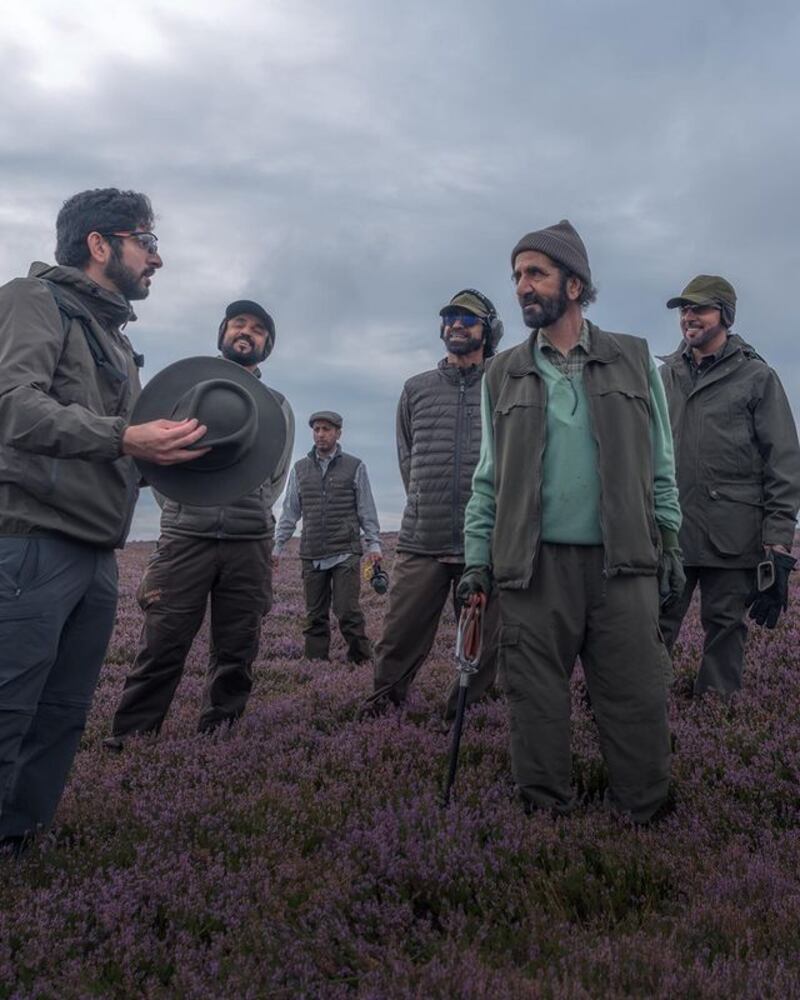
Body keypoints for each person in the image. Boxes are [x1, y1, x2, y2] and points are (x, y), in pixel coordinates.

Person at [0, 187, 207, 852]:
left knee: (61, 715)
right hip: (29, 541)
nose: (158, 259)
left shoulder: (115, 337)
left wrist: (179, 457)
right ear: (100, 244)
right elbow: (13, 407)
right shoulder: (35, 301)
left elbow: (120, 445)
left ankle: (22, 842)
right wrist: (126, 437)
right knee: (8, 707)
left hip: (94, 552)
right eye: (147, 241)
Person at [460, 219, 684, 824]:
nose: (522, 286)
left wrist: (669, 540)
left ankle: (645, 817)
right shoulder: (501, 372)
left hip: (625, 563)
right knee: (535, 699)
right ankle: (543, 819)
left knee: (635, 697)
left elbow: (662, 459)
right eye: (517, 276)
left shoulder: (635, 358)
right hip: (531, 569)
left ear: (576, 284)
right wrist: (477, 562)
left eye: (536, 273)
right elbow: (488, 477)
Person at [104, 301, 295, 745]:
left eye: (259, 329)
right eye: (238, 324)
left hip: (250, 542)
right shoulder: (188, 391)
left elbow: (275, 476)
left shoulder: (279, 406)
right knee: (161, 644)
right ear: (223, 334)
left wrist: (250, 511)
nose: (247, 332)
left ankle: (218, 741)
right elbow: (157, 457)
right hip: (184, 537)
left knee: (237, 651)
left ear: (267, 345)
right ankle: (129, 740)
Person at [363, 289, 502, 720]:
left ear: (488, 330)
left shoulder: (505, 383)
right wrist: (424, 501)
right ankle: (382, 708)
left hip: (486, 540)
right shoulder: (416, 389)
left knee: (481, 640)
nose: (456, 324)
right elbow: (408, 458)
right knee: (398, 635)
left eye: (467, 318)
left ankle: (465, 715)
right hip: (423, 538)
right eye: (449, 317)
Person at [658, 275, 800, 697]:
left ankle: (714, 712)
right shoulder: (664, 376)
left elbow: (785, 464)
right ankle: (639, 712)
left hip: (733, 535)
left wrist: (778, 543)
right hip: (672, 532)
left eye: (699, 308)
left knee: (725, 628)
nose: (688, 317)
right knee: (652, 625)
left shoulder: (758, 377)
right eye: (684, 310)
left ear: (725, 315)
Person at [274, 412, 381, 663]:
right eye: (316, 429)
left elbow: (367, 509)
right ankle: (316, 666)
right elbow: (290, 511)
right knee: (314, 617)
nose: (320, 434)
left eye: (326, 429)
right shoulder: (299, 469)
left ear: (338, 433)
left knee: (347, 612)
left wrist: (374, 543)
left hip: (345, 550)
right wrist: (277, 546)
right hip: (311, 552)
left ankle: (362, 661)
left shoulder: (355, 466)